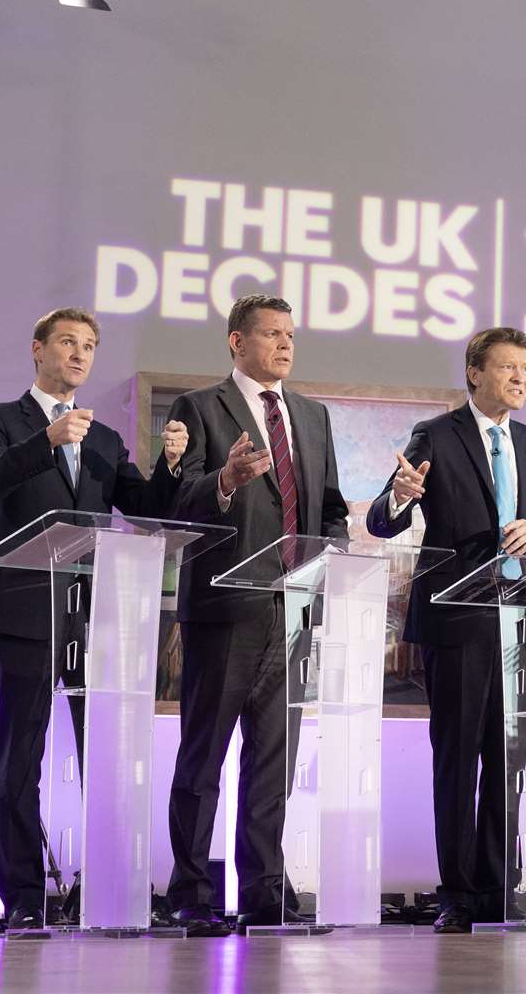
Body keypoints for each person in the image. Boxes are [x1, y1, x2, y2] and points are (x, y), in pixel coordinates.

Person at [0, 307, 187, 930]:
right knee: (19, 762)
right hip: (26, 614)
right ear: (38, 350)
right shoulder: (0, 422)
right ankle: (24, 902)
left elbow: (142, 509)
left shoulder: (106, 440)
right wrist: (47, 442)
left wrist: (170, 468)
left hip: (95, 619)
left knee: (109, 761)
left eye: (89, 345)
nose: (80, 354)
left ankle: (114, 892)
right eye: (67, 342)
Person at [367, 327, 526, 934]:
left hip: (519, 621)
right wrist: (401, 497)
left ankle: (498, 889)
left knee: (508, 762)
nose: (518, 379)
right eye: (507, 368)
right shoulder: (438, 435)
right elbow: (382, 519)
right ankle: (456, 891)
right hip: (458, 621)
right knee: (457, 761)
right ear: (474, 373)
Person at [164, 294, 349, 934]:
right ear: (237, 342)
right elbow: (177, 500)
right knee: (203, 759)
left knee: (274, 761)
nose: (285, 344)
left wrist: (332, 556)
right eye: (271, 333)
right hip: (225, 606)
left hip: (293, 607)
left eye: (290, 334)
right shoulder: (199, 407)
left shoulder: (313, 415)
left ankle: (264, 892)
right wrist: (226, 479)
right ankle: (190, 891)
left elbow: (328, 508)